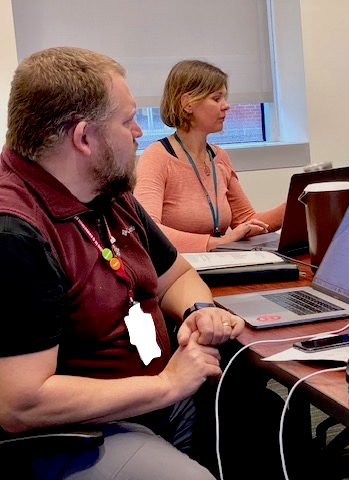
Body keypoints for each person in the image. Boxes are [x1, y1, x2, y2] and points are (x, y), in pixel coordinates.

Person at [0, 46, 294, 479]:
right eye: (127, 120)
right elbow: (20, 403)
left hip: (156, 396)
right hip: (90, 428)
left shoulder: (109, 193)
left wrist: (200, 311)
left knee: (274, 423)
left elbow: (178, 277)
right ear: (84, 138)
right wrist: (167, 386)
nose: (140, 131)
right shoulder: (17, 233)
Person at [134, 59, 285, 253]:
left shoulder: (219, 157)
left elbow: (246, 221)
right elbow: (148, 231)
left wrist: (295, 204)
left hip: (220, 263)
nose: (226, 106)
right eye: (216, 98)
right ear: (187, 103)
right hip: (179, 270)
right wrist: (218, 242)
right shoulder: (157, 157)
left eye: (224, 98)